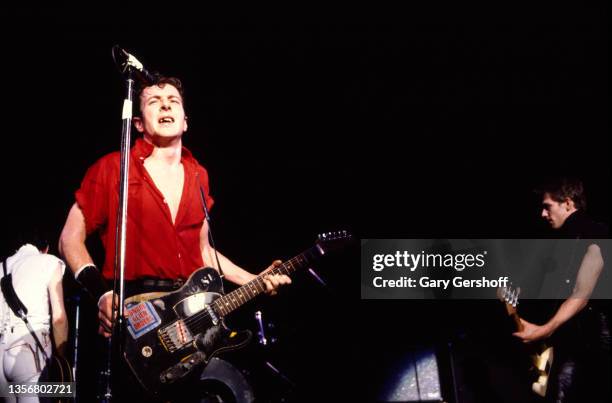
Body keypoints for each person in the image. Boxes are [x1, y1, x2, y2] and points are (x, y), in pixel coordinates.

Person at [58, 76, 291, 400]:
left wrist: (255, 278)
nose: (166, 104)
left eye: (173, 100)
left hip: (189, 317)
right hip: (135, 314)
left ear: (185, 121)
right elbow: (70, 238)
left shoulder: (199, 176)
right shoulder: (113, 168)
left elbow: (204, 251)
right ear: (138, 123)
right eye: (154, 100)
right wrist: (100, 294)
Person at [513, 177, 610, 402]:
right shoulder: (562, 243)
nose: (543, 214)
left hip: (597, 344)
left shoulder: (594, 234)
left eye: (547, 207)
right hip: (575, 343)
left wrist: (545, 330)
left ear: (568, 203)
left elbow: (582, 294)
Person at [0, 233, 68, 402]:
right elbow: (59, 318)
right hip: (30, 355)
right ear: (45, 249)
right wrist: (60, 361)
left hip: (2, 358)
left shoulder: (2, 266)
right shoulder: (49, 262)